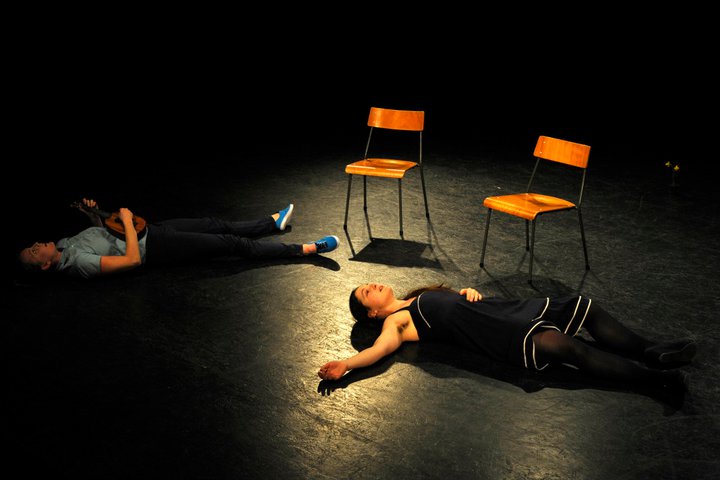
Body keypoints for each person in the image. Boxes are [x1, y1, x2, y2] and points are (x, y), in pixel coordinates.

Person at [318, 283, 695, 395]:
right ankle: (656, 381)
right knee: (568, 348)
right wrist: (346, 365)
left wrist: (466, 291)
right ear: (372, 313)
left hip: (505, 309)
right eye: (367, 293)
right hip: (498, 333)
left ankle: (651, 350)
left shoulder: (418, 296)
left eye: (368, 285)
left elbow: (455, 305)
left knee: (585, 307)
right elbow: (379, 351)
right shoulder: (398, 322)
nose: (373, 286)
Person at [18, 198, 339, 280]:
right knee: (230, 245)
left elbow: (101, 234)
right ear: (45, 266)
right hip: (156, 247)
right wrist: (127, 222)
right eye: (33, 252)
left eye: (32, 245)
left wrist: (91, 214)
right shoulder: (79, 265)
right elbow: (131, 260)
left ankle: (271, 223)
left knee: (213, 223)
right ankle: (303, 249)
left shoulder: (65, 244)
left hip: (151, 230)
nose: (36, 245)